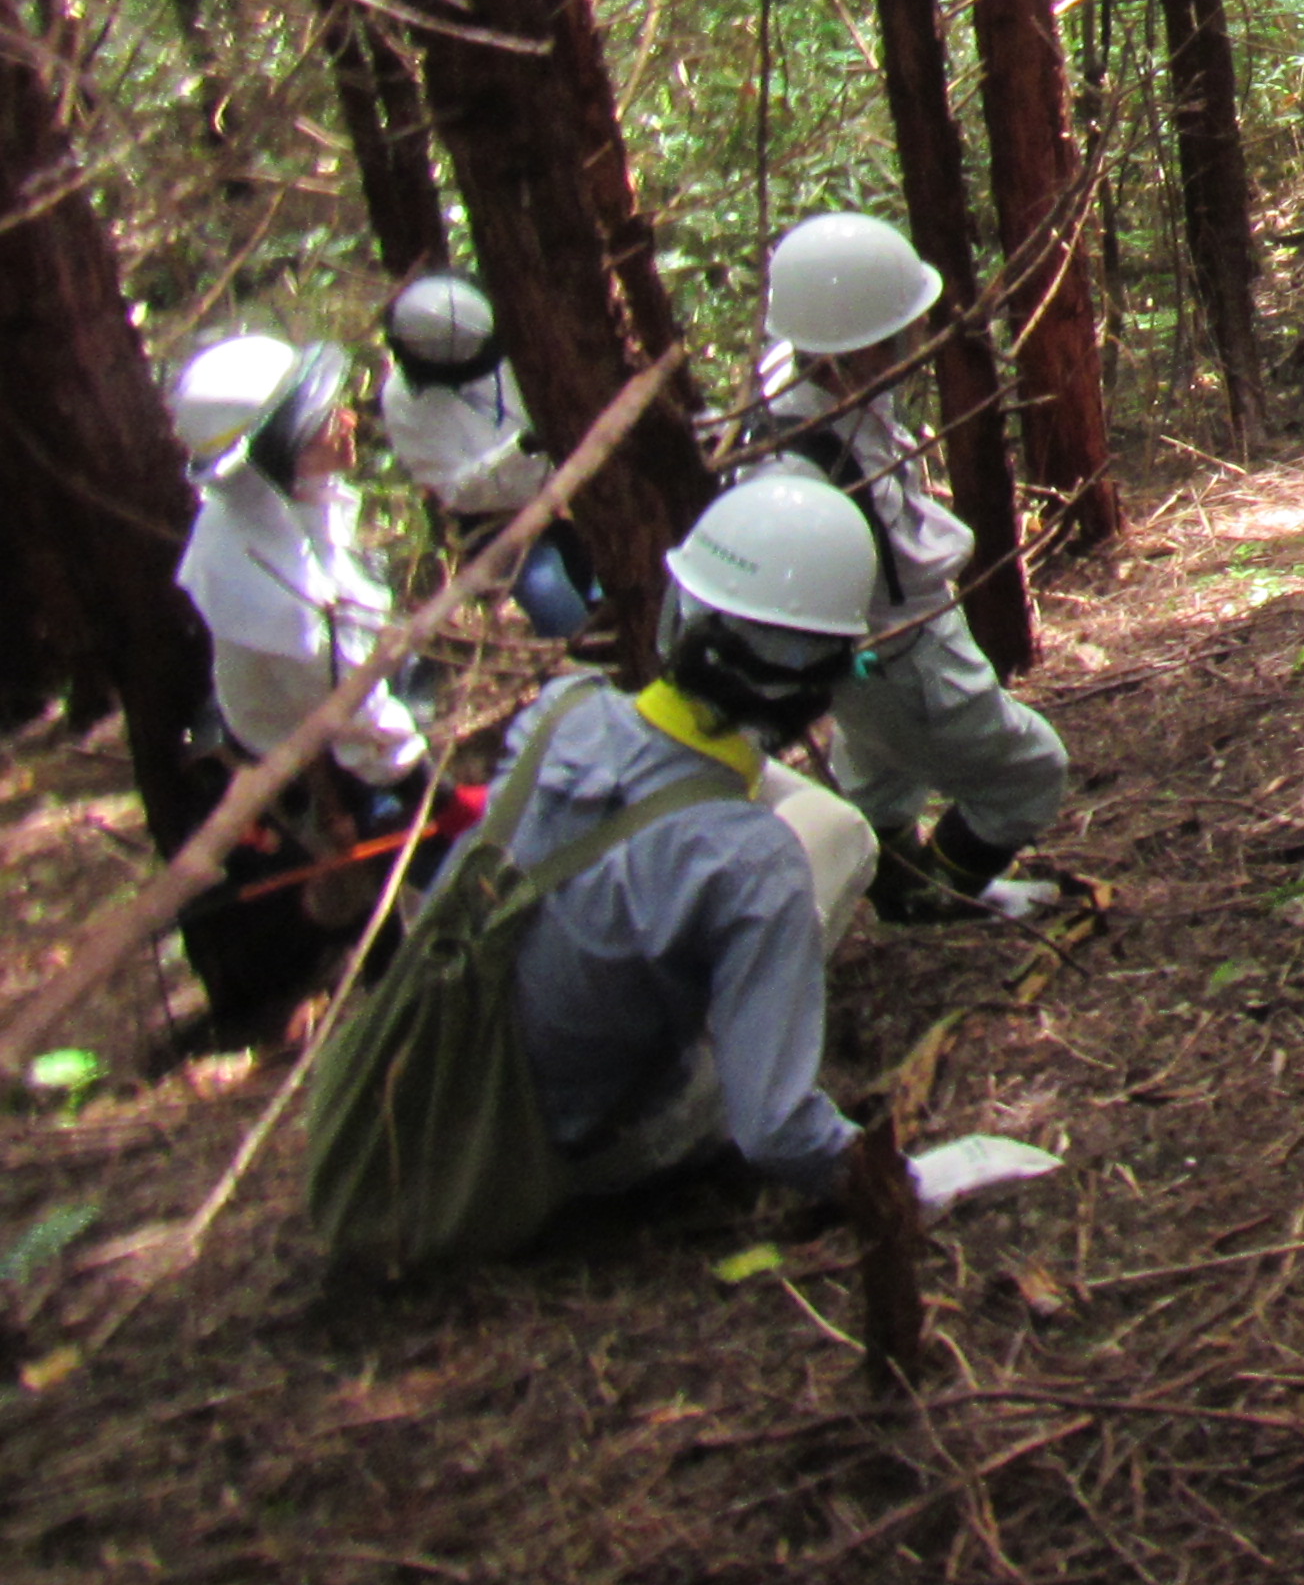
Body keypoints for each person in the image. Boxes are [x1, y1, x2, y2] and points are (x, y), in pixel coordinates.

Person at [464, 473, 885, 1204]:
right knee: (842, 836)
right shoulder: (754, 864)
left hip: (466, 1080)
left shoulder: (563, 713)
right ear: (821, 685)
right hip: (559, 1152)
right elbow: (776, 1132)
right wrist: (891, 1179)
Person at [740, 212, 1069, 922]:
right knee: (1030, 772)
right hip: (901, 652)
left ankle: (900, 888)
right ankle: (939, 897)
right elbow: (906, 565)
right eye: (898, 334)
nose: (916, 344)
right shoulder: (800, 467)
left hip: (872, 659)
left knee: (879, 777)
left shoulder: (809, 376)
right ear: (850, 352)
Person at [164, 333, 471, 1035]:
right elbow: (356, 717)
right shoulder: (275, 588)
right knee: (443, 896)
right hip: (327, 764)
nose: (350, 421)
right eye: (327, 416)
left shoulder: (283, 510)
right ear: (282, 445)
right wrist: (434, 795)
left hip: (326, 739)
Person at [375, 266, 600, 636]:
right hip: (498, 523)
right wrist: (521, 449)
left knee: (616, 589)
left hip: (581, 494)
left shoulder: (522, 344)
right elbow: (457, 492)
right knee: (556, 606)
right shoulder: (404, 402)